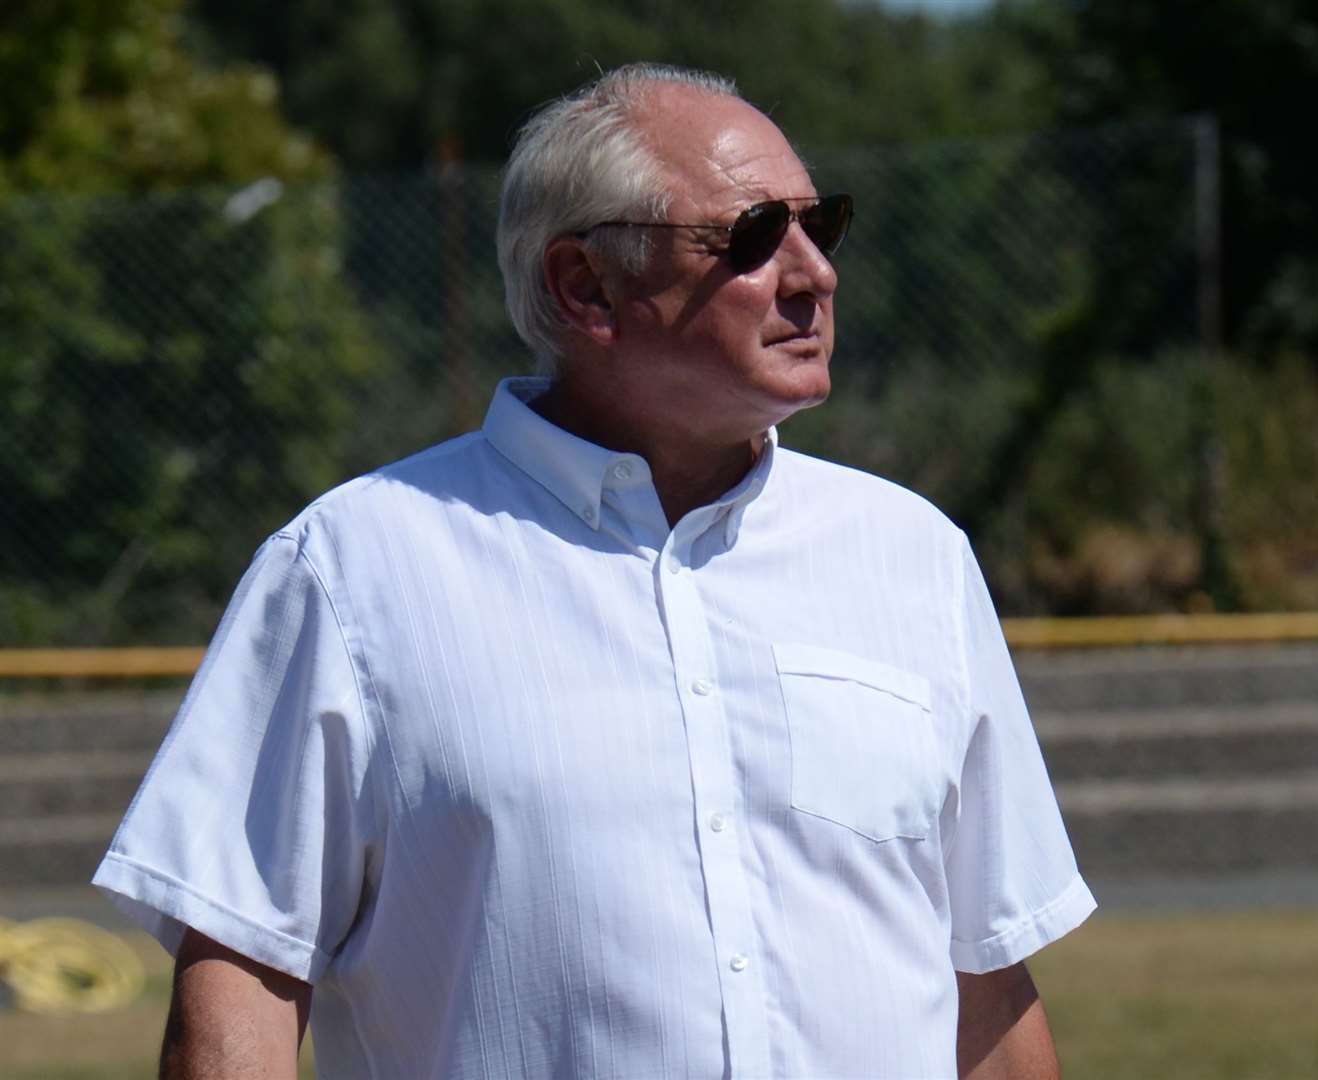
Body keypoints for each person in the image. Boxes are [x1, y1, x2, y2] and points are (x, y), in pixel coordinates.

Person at [95, 62, 1095, 1079]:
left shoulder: (911, 556)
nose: (813, 273)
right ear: (585, 286)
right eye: (752, 236)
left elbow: (985, 983)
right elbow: (243, 975)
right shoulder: (353, 570)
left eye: (820, 225)